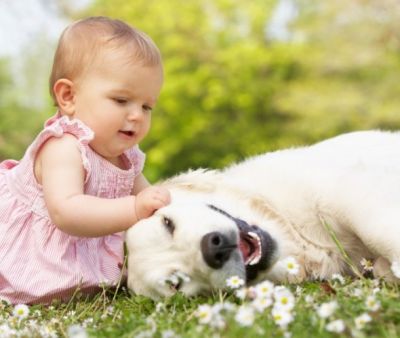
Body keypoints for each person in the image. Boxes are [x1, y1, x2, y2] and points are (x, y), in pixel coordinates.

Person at [0, 16, 171, 304]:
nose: (137, 115)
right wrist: (134, 208)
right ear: (68, 96)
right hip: (30, 251)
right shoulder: (63, 146)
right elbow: (67, 212)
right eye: (121, 100)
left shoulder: (125, 157)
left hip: (74, 265)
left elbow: (150, 198)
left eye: (147, 106)